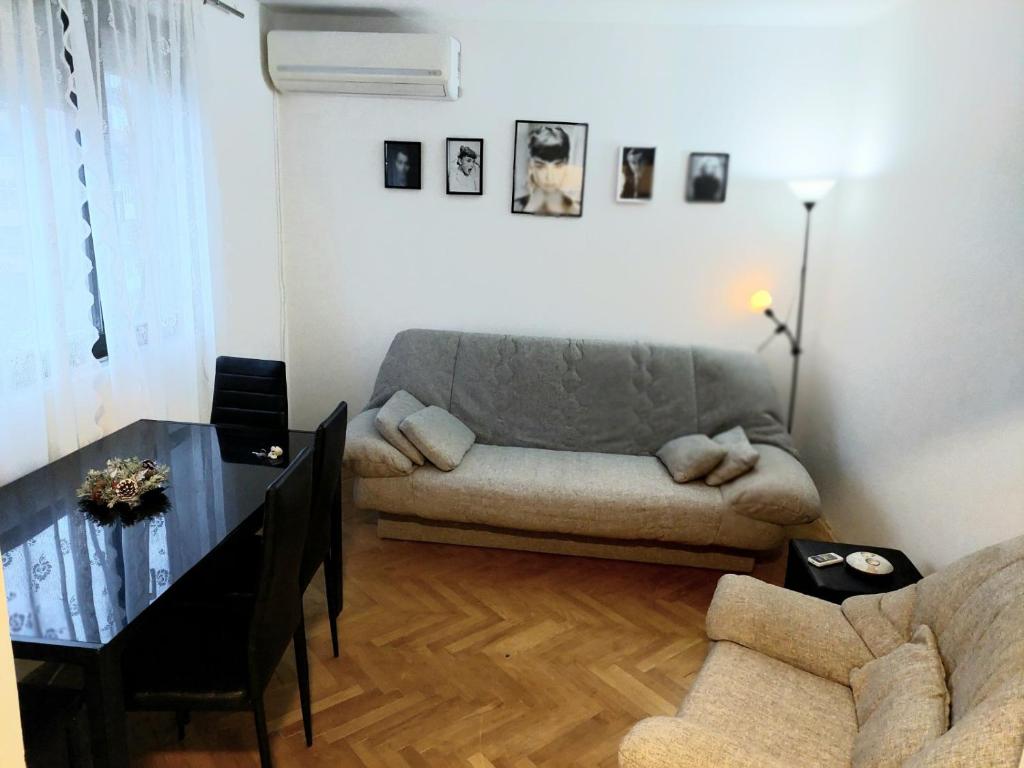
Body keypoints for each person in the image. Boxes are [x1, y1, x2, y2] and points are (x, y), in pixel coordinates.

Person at [513, 125, 581, 215]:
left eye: (558, 166)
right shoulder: (516, 206)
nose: (549, 177)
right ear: (531, 166)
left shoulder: (576, 210)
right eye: (540, 166)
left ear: (567, 165)